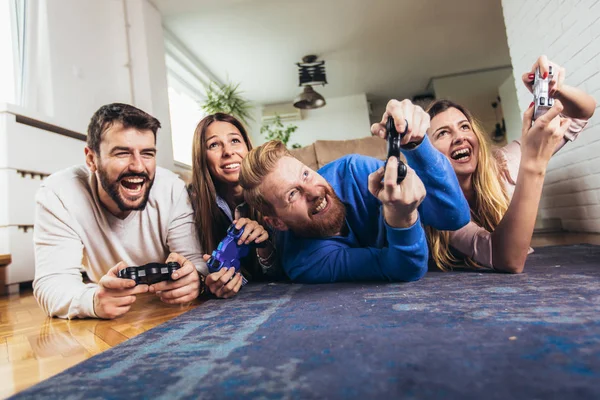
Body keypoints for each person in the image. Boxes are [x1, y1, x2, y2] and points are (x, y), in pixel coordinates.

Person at [382, 56, 595, 273]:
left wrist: (555, 90)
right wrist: (534, 163)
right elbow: (507, 259)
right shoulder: (439, 208)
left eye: (464, 127)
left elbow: (581, 113)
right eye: (443, 133)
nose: (459, 137)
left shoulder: (503, 163)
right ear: (427, 155)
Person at [239, 100, 471, 283]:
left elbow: (456, 217)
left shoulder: (354, 171)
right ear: (277, 223)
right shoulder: (305, 262)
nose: (313, 192)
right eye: (292, 194)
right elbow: (404, 268)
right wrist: (401, 217)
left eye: (306, 174)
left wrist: (416, 143)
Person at [33, 103, 207, 319]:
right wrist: (92, 301)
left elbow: (194, 262)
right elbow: (51, 281)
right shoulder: (58, 193)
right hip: (111, 312)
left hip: (169, 310)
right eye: (122, 153)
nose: (138, 166)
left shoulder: (172, 188)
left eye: (147, 153)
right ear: (91, 159)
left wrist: (196, 280)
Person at [188, 113, 280, 298]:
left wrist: (264, 247)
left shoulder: (275, 189)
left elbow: (287, 272)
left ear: (248, 148)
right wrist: (207, 284)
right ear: (202, 157)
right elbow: (194, 267)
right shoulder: (190, 203)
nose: (228, 152)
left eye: (235, 141)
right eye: (214, 145)